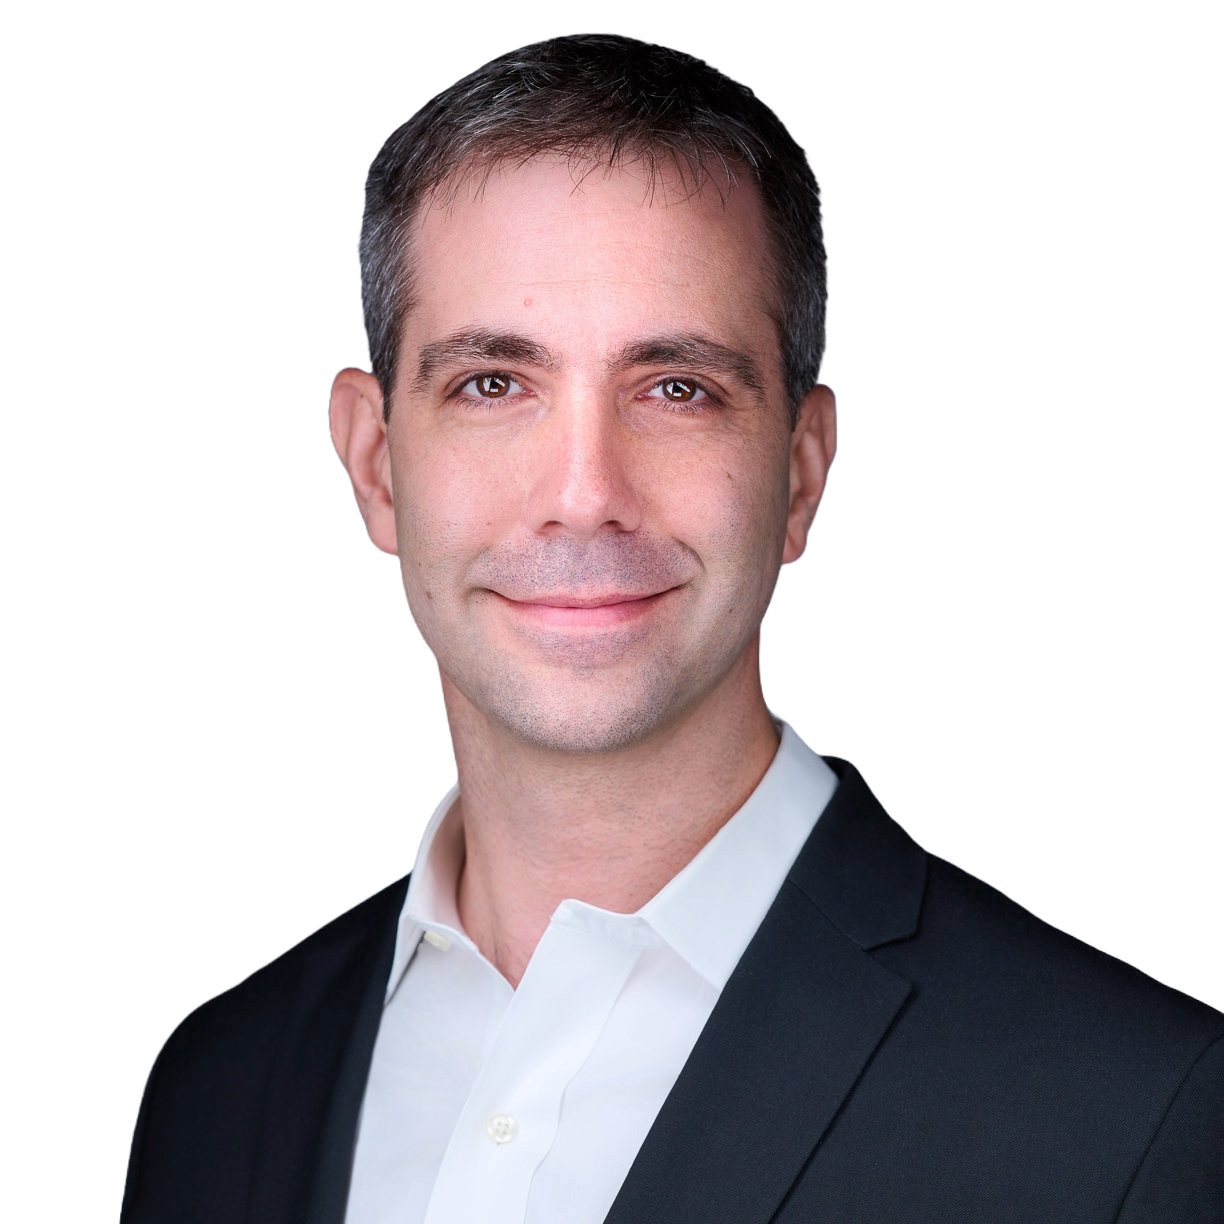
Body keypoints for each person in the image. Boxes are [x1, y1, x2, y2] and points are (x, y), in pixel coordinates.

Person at [119, 33, 1222, 1224]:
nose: (585, 489)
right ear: (377, 465)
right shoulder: (215, 1087)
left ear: (801, 473)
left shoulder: (1136, 1119)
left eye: (676, 388)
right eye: (495, 383)